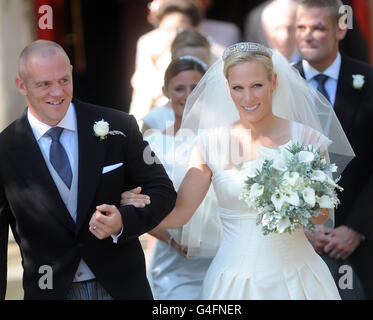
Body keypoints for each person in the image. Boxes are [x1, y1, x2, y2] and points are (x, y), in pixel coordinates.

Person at [122, 42, 355, 299]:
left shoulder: (308, 140)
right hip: (235, 282)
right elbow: (179, 214)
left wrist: (299, 197)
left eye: (257, 86)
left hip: (299, 279)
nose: (248, 98)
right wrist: (136, 209)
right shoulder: (210, 143)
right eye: (238, 88)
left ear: (274, 82)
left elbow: (321, 217)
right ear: (227, 88)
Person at [0, 40, 177, 300]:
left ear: (71, 72)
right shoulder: (5, 150)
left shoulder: (120, 126)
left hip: (122, 288)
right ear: (21, 86)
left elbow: (163, 191)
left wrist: (123, 220)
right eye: (44, 84)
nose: (57, 92)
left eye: (63, 80)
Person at [294, 0, 373, 300]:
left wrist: (355, 228)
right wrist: (302, 229)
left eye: (318, 28)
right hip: (295, 240)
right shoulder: (276, 85)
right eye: (301, 27)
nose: (307, 35)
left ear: (340, 29)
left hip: (356, 238)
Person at [125, 56, 221, 299]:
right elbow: (138, 203)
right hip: (174, 261)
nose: (188, 95)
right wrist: (171, 241)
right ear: (165, 91)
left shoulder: (223, 141)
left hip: (224, 257)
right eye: (179, 88)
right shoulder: (152, 145)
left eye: (195, 88)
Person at [129, 0, 203, 129]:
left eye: (180, 29)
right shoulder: (148, 45)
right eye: (168, 29)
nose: (174, 34)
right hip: (153, 113)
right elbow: (142, 84)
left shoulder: (200, 51)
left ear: (193, 29)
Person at [141, 29, 212, 134]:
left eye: (200, 64)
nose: (192, 71)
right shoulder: (154, 120)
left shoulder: (224, 113)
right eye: (185, 64)